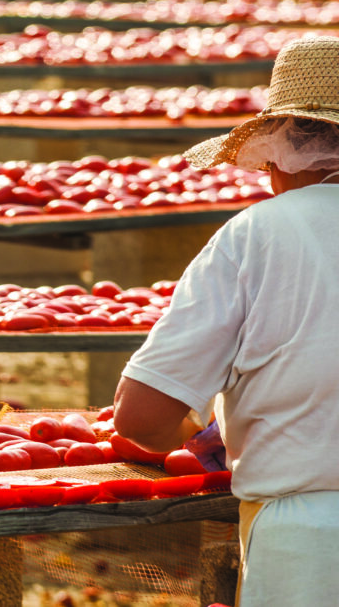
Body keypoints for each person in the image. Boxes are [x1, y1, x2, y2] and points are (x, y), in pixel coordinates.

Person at [112, 34, 339, 606]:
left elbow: (141, 415)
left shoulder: (259, 233)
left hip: (310, 544)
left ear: (281, 150)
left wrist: (198, 435)